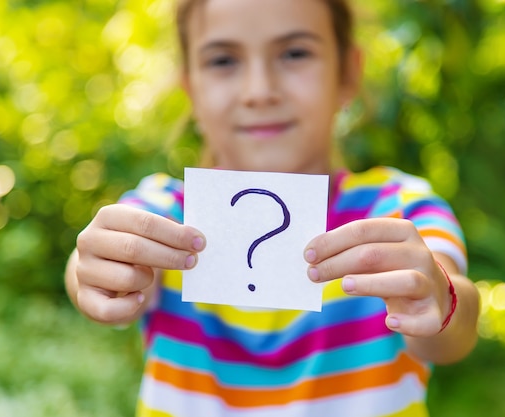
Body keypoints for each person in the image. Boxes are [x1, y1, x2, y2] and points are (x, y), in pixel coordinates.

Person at [65, 0, 480, 415]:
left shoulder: (399, 207)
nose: (260, 91)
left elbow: (451, 327)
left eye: (294, 53)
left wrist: (436, 302)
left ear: (348, 73)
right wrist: (95, 273)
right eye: (224, 60)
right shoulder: (160, 211)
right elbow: (99, 270)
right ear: (190, 88)